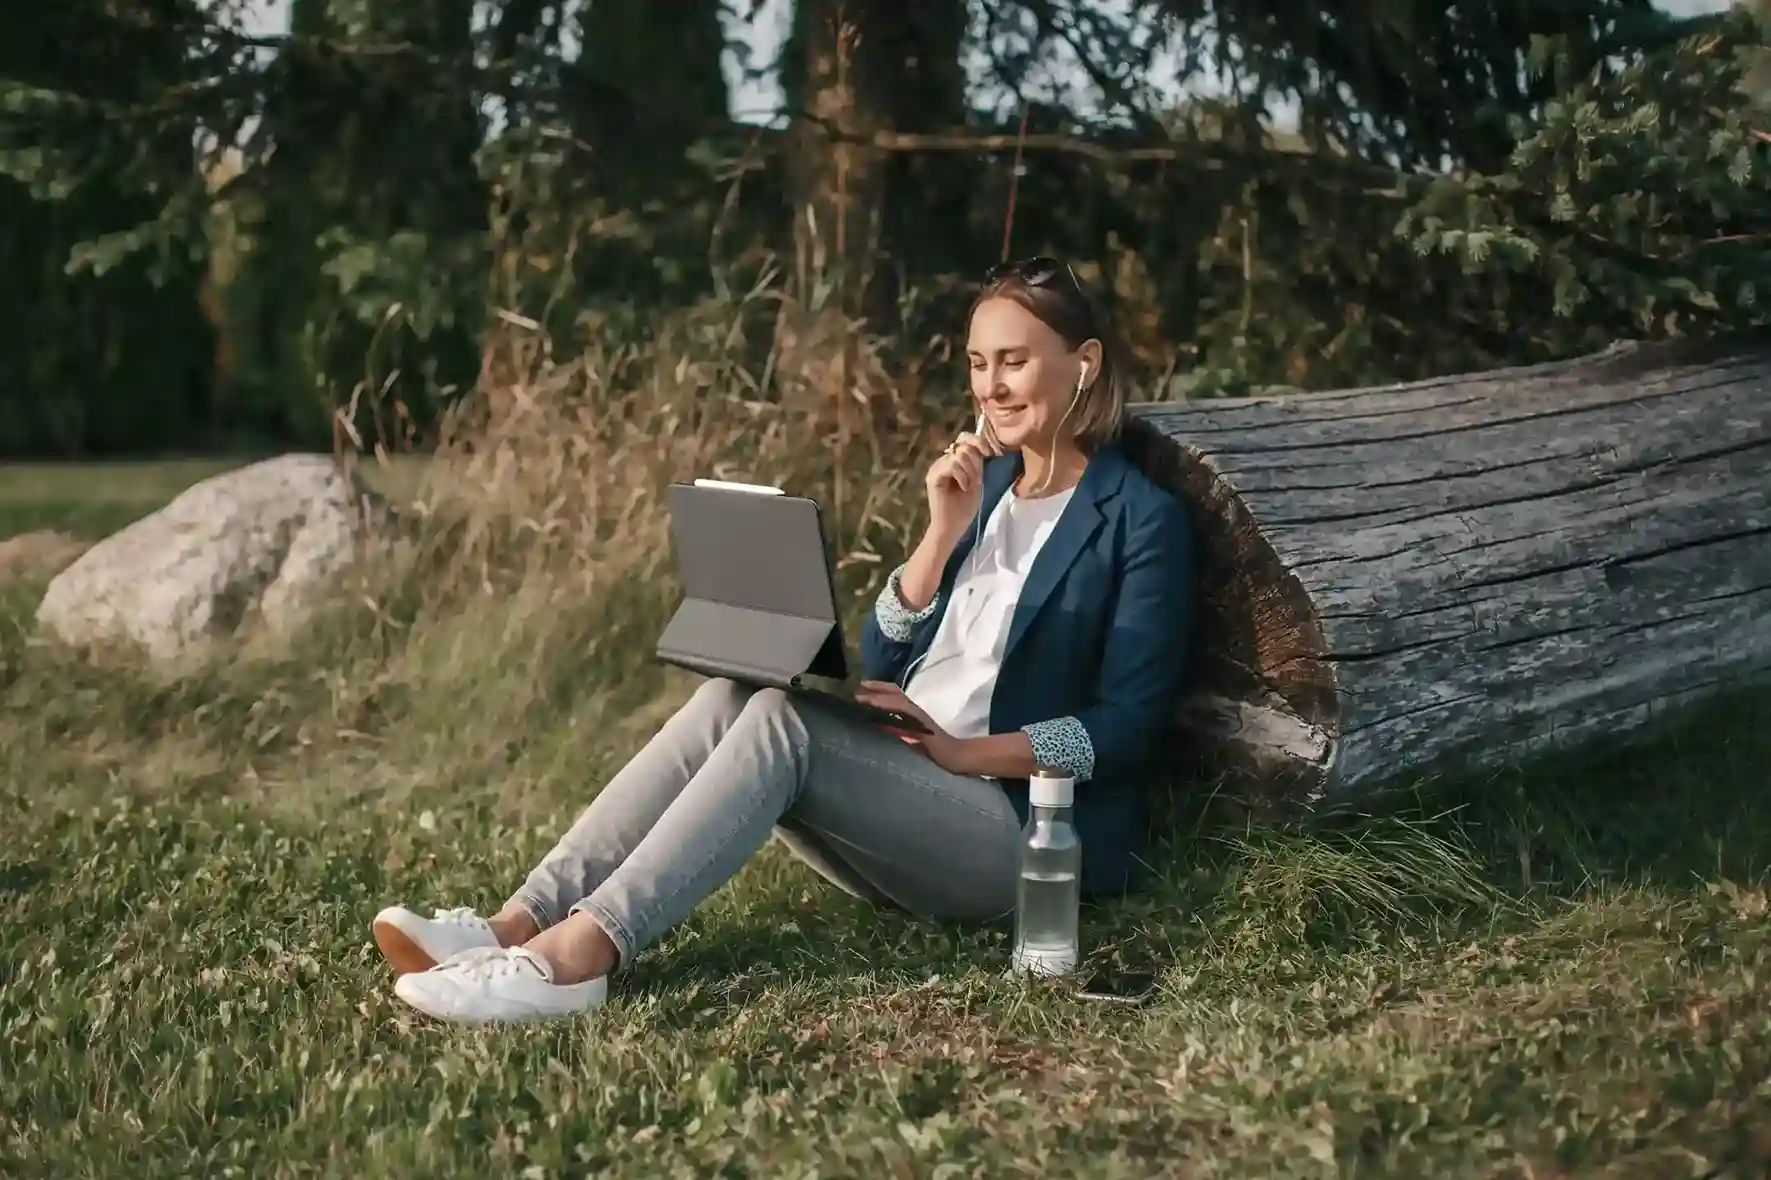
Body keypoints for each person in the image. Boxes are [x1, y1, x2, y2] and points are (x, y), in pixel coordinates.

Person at [372, 257, 1196, 1024]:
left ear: (1082, 361)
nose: (990, 387)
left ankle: (576, 957)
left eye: (1013, 361)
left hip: (1019, 836)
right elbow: (885, 658)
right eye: (978, 364)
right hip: (909, 789)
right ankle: (516, 923)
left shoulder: (1137, 520)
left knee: (782, 723)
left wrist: (962, 756)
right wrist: (937, 538)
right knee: (731, 694)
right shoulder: (981, 489)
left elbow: (1125, 727)